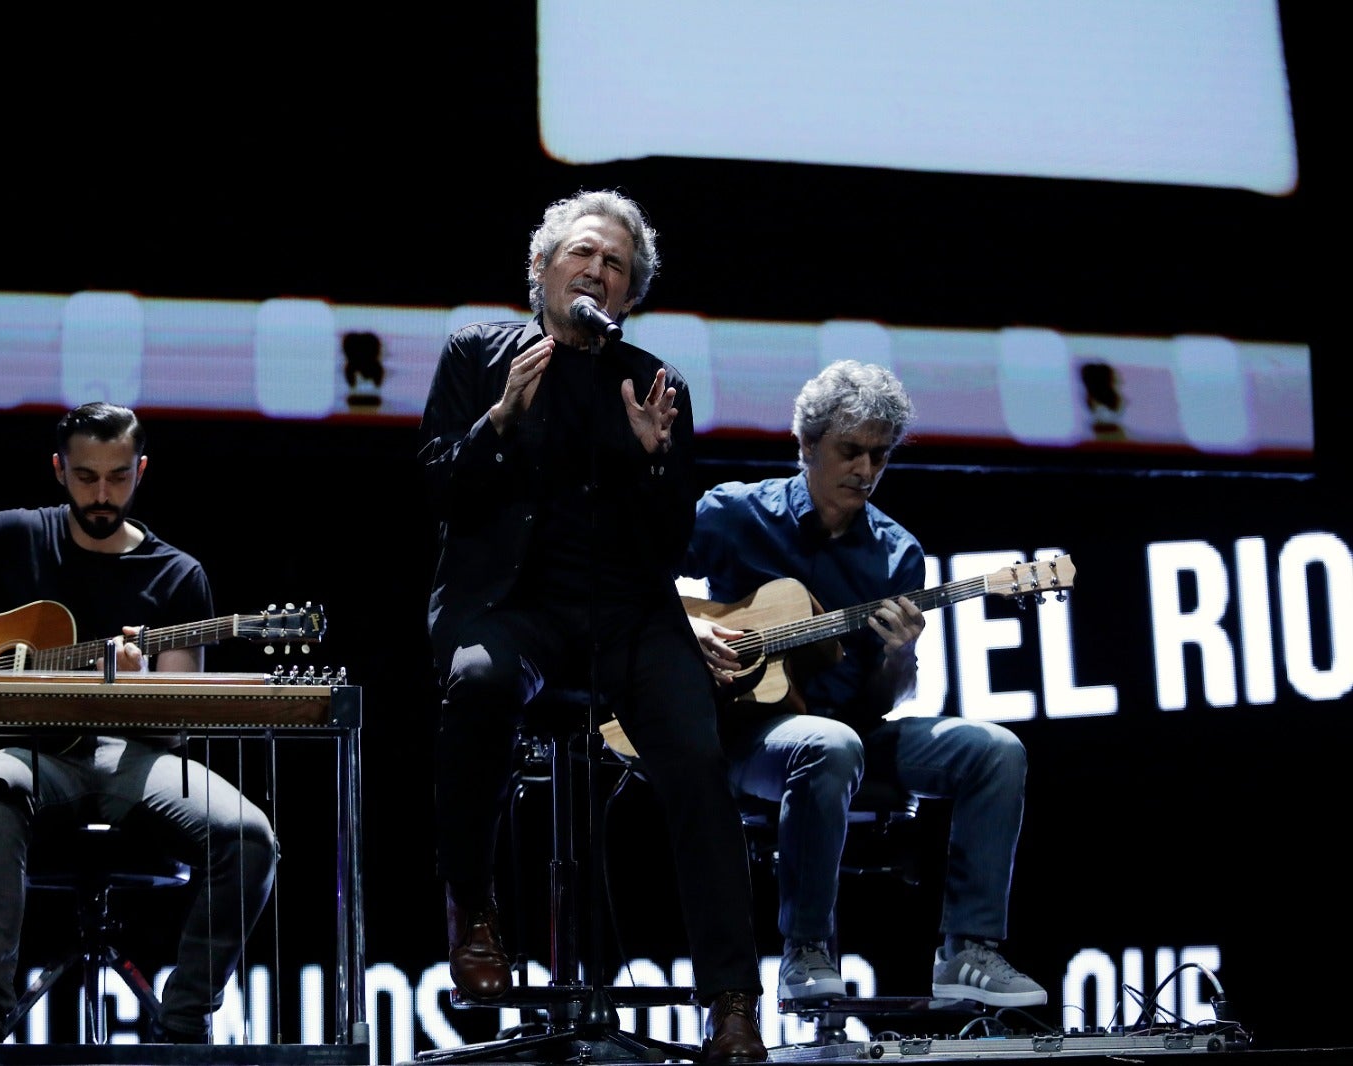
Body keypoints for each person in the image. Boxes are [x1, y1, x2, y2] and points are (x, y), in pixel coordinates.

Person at [417, 189, 767, 1062]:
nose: (596, 272)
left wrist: (655, 464)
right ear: (542, 271)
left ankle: (731, 1001)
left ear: (627, 294)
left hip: (628, 613)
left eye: (615, 266)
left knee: (695, 757)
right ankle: (473, 903)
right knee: (480, 683)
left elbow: (672, 542)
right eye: (582, 254)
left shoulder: (654, 383)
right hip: (512, 608)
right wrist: (498, 423)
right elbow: (436, 491)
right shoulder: (478, 353)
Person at [0, 401, 280, 1044]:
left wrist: (138, 688)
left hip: (133, 756)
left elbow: (178, 725)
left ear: (141, 469)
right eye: (86, 477)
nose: (102, 494)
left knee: (252, 836)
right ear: (58, 469)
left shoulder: (178, 576)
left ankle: (185, 1017)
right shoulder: (14, 535)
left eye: (117, 477)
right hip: (31, 753)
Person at [678, 360, 1046, 1011]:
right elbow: (631, 581)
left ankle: (969, 951)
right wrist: (691, 631)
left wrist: (899, 655)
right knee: (830, 744)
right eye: (850, 452)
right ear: (808, 445)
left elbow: (882, 702)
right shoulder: (735, 515)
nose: (866, 471)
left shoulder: (896, 553)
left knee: (996, 750)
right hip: (746, 732)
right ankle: (807, 950)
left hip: (853, 728)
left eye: (880, 456)